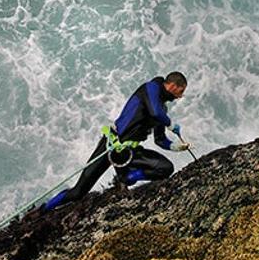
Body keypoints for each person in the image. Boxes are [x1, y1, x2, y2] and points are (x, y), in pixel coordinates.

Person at [43, 71, 190, 210]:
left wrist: (176, 147)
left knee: (165, 168)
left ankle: (125, 177)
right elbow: (154, 112)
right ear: (173, 86)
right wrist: (170, 124)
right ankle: (42, 210)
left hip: (128, 152)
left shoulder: (162, 109)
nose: (180, 96)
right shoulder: (151, 88)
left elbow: (160, 140)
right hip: (111, 146)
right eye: (180, 91)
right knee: (78, 192)